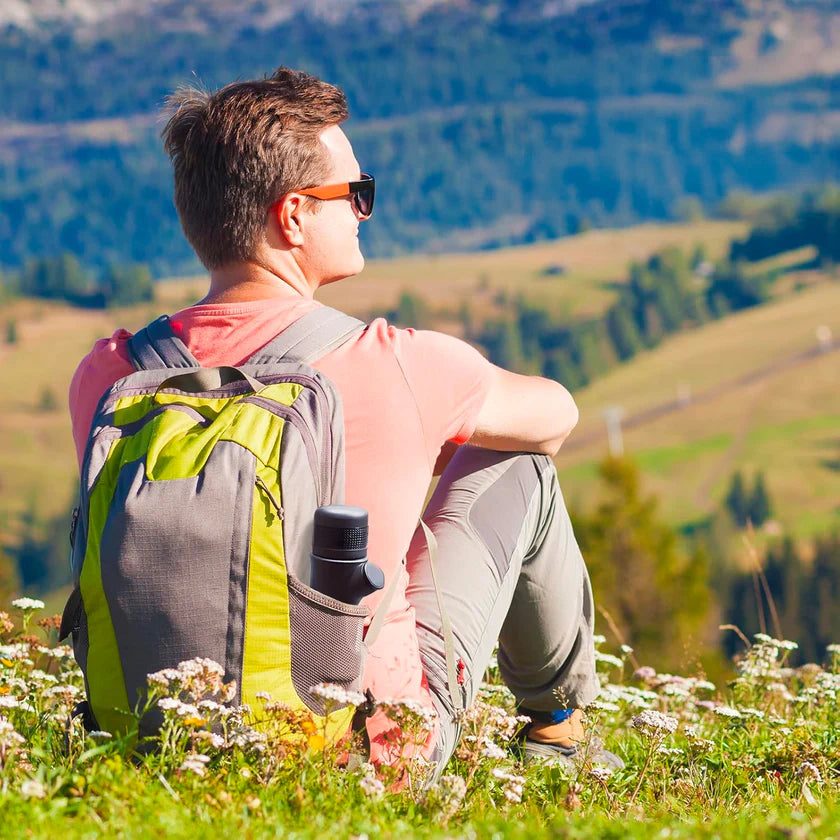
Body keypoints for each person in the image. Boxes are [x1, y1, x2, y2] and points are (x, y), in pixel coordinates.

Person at [68, 67, 619, 774]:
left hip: (151, 740)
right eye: (356, 194)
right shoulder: (399, 363)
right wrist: (438, 439)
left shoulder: (110, 377)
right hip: (367, 752)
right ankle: (557, 731)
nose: (364, 211)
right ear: (293, 214)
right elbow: (556, 418)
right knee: (517, 463)